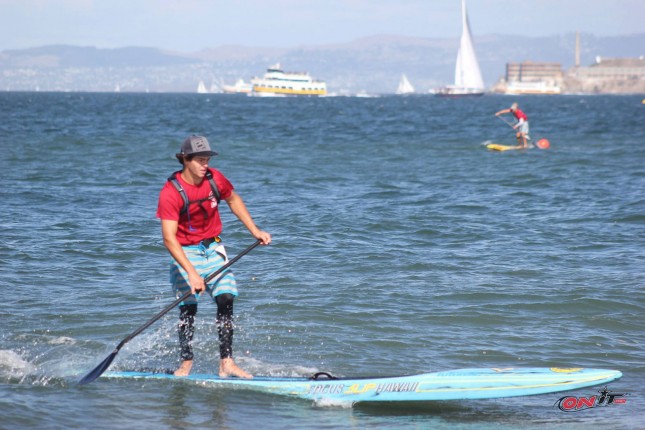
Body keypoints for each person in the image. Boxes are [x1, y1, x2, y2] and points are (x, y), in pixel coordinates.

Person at [156, 135, 271, 378]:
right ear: (185, 160)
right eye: (199, 160)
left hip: (214, 247)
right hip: (184, 251)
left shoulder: (215, 179)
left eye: (207, 159)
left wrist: (255, 231)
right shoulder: (170, 192)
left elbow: (233, 199)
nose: (204, 165)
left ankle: (226, 362)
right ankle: (186, 362)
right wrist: (192, 272)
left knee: (226, 297)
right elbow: (168, 238)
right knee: (189, 307)